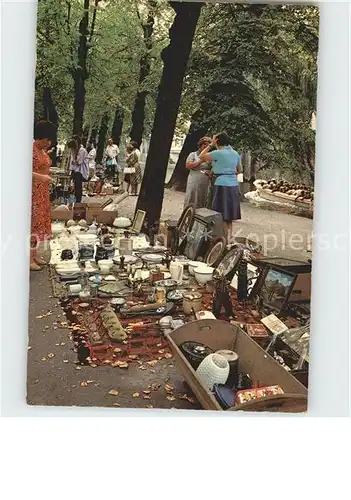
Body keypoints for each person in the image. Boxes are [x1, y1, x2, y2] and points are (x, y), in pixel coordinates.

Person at [199, 132, 242, 243]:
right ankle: (228, 239)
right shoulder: (235, 153)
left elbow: (201, 156)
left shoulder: (218, 153)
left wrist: (210, 145)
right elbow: (239, 170)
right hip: (233, 185)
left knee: (220, 213)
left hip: (221, 184)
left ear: (217, 141)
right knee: (229, 215)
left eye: (214, 140)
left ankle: (220, 240)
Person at [30, 120, 55, 271]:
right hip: (34, 192)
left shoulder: (41, 150)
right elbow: (22, 170)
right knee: (34, 224)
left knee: (40, 224)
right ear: (41, 137)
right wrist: (42, 178)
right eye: (47, 139)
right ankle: (28, 258)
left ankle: (34, 254)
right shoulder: (31, 150)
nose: (49, 142)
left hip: (42, 192)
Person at [184, 136, 212, 209]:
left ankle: (199, 217)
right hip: (194, 178)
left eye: (208, 145)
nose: (205, 146)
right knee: (191, 196)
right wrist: (200, 161)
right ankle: (188, 215)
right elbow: (188, 165)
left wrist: (210, 172)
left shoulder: (210, 156)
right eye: (204, 144)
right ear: (200, 144)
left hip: (205, 181)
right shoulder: (193, 154)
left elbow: (213, 167)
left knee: (202, 197)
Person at [68, 136, 89, 203]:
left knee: (78, 186)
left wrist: (74, 156)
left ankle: (78, 201)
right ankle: (75, 200)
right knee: (75, 185)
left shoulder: (82, 150)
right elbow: (72, 162)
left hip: (81, 171)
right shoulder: (75, 150)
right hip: (76, 171)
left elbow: (78, 162)